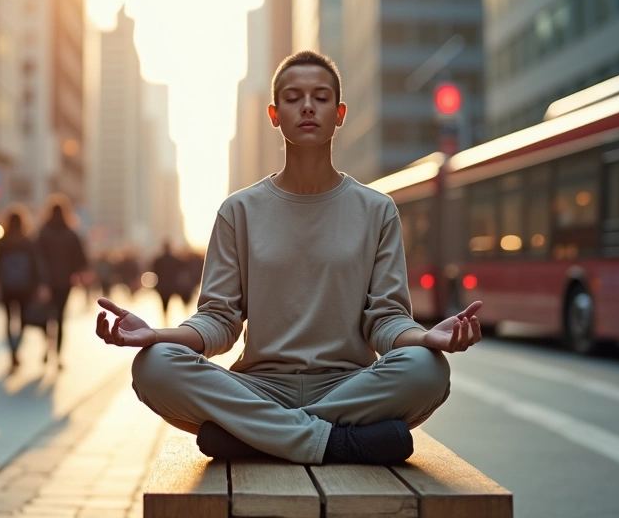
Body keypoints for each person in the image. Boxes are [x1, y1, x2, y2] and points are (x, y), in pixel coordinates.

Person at [95, 50, 483, 465]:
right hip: (259, 387)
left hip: (349, 387)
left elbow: (385, 320)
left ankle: (255, 435)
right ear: (275, 114)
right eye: (294, 98)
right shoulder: (238, 211)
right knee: (153, 366)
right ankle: (337, 443)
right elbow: (219, 321)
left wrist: (426, 339)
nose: (308, 106)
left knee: (427, 369)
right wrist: (156, 336)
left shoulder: (377, 209)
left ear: (339, 113)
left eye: (321, 97)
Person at [0, 205, 48, 374]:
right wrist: (41, 284)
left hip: (7, 287)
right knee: (23, 320)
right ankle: (18, 347)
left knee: (9, 320)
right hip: (25, 287)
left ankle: (13, 353)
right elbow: (37, 264)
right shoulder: (28, 241)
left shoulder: (3, 241)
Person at [36, 194, 89, 368]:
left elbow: (36, 258)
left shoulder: (43, 233)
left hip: (46, 283)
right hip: (65, 283)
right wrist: (78, 275)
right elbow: (81, 259)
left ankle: (47, 345)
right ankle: (57, 355)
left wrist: (40, 282)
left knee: (46, 317)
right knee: (60, 319)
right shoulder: (71, 234)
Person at [149, 241, 183, 326]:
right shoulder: (175, 260)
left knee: (163, 302)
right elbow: (179, 271)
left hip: (161, 286)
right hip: (171, 285)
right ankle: (166, 316)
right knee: (168, 302)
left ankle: (165, 316)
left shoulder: (158, 260)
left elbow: (153, 270)